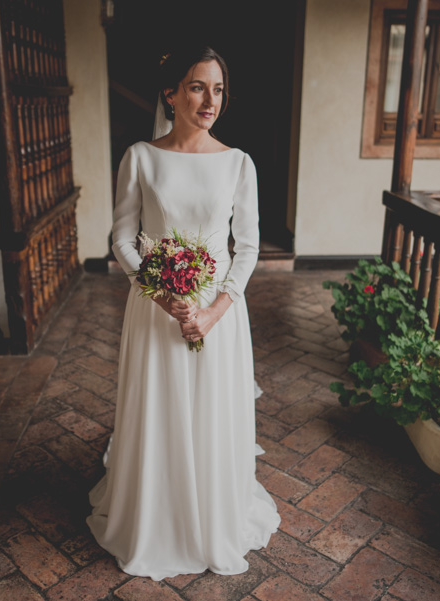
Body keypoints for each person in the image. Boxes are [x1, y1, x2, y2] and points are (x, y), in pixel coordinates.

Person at [86, 45, 280, 581]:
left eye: (217, 89)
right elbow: (123, 237)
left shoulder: (239, 163)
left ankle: (211, 515)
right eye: (197, 86)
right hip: (156, 310)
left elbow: (246, 247)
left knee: (210, 411)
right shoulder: (141, 158)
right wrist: (159, 289)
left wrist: (214, 312)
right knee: (162, 407)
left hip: (218, 313)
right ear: (170, 93)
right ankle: (158, 517)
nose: (209, 100)